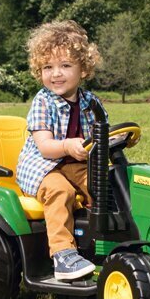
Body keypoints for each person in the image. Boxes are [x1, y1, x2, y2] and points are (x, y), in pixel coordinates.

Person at [16, 20, 107, 281]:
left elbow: (102, 133)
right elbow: (45, 147)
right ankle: (63, 255)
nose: (56, 74)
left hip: (75, 163)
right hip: (42, 168)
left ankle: (106, 237)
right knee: (61, 191)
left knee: (105, 183)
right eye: (48, 67)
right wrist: (67, 144)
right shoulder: (43, 102)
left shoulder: (91, 102)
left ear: (84, 69)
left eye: (65, 66)